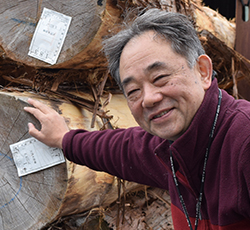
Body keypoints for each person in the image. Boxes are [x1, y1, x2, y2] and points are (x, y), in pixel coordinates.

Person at [24, 8, 250, 230]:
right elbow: (119, 148)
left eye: (160, 77)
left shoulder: (244, 141)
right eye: (133, 91)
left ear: (202, 71)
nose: (148, 99)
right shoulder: (172, 150)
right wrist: (65, 139)